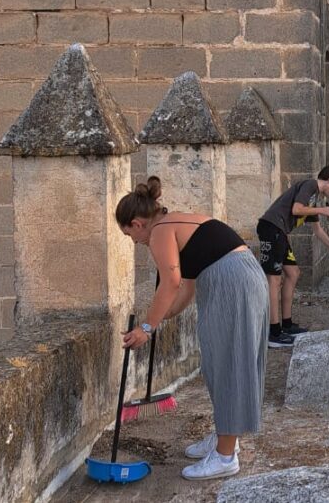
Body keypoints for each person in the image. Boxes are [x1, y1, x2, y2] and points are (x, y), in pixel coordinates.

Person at [118, 177, 268, 481]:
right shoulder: (176, 222)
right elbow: (184, 288)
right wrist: (161, 318)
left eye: (131, 236)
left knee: (228, 364)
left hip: (232, 283)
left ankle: (226, 456)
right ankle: (224, 438)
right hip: (240, 277)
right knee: (221, 363)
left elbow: (171, 282)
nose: (136, 243)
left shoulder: (159, 232)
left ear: (137, 223)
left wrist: (147, 327)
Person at [257, 165, 329, 348]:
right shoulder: (310, 185)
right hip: (271, 228)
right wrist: (322, 211)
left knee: (293, 273)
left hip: (280, 232)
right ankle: (273, 334)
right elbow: (296, 210)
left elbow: (318, 232)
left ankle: (287, 324)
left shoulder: (314, 199)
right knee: (274, 280)